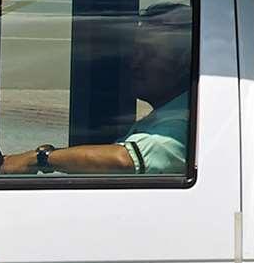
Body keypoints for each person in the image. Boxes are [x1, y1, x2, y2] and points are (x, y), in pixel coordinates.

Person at [12, 12, 193, 177]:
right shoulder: (173, 111)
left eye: (149, 55)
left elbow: (124, 160)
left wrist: (40, 159)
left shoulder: (182, 121)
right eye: (136, 52)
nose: (134, 63)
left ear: (185, 64)